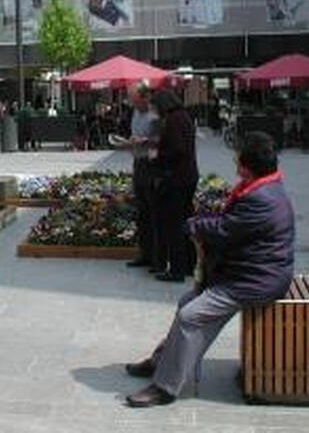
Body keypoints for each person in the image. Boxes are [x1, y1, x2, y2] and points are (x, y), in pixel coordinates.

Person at [125, 131, 295, 407]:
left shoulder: (262, 198)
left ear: (246, 164)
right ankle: (161, 362)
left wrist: (194, 224)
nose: (234, 157)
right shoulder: (264, 187)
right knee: (186, 303)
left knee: (192, 315)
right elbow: (232, 225)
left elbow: (225, 229)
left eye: (238, 154)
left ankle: (166, 387)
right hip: (246, 273)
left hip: (255, 281)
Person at [150, 89, 199, 282]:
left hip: (176, 178)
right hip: (189, 176)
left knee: (174, 225)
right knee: (185, 221)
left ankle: (177, 269)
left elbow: (177, 149)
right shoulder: (185, 116)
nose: (154, 111)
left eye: (155, 106)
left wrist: (158, 157)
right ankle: (188, 265)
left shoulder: (172, 120)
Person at [123, 83, 161, 271]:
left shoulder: (156, 115)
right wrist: (130, 142)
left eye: (136, 100)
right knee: (142, 211)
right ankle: (144, 254)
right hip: (138, 163)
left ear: (146, 97)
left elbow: (164, 141)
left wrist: (146, 141)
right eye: (132, 100)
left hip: (151, 165)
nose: (133, 104)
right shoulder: (136, 113)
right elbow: (134, 134)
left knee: (153, 211)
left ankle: (156, 258)